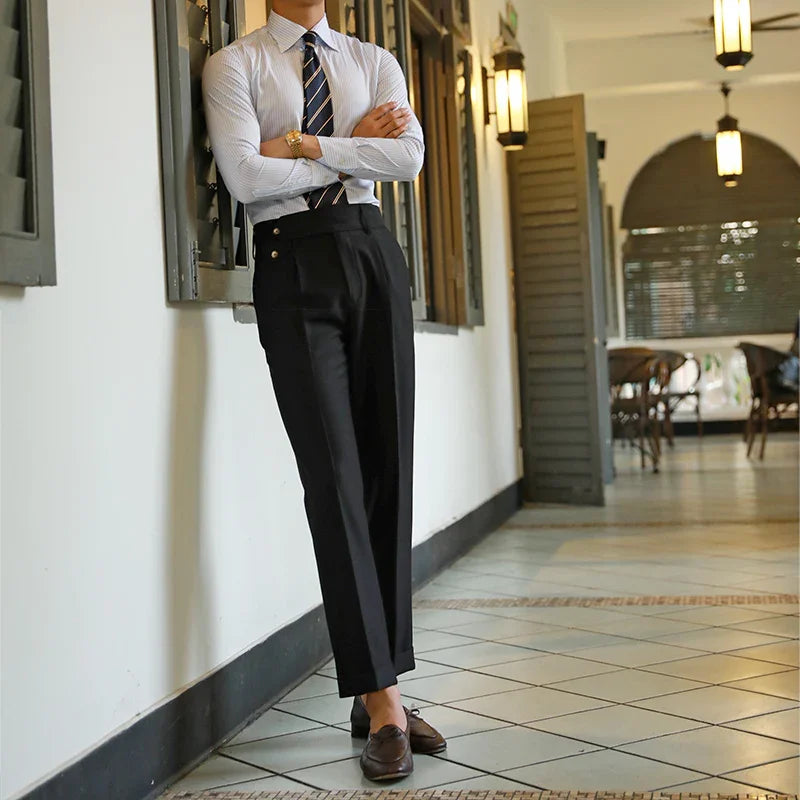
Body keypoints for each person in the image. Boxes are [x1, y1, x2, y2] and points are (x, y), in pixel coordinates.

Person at [202, 0, 445, 782]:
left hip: (373, 253)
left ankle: (381, 686)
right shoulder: (234, 64)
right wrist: (347, 150)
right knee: (333, 480)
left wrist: (302, 144)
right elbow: (244, 175)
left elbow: (407, 159)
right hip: (290, 262)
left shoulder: (375, 60)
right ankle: (382, 702)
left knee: (387, 471)